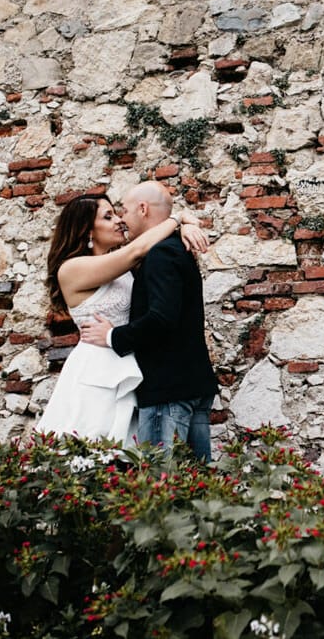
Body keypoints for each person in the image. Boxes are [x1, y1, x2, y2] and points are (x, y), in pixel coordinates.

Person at [34, 192, 206, 444]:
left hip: (128, 363)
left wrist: (189, 226)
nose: (119, 221)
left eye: (117, 213)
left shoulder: (121, 266)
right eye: (108, 216)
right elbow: (137, 250)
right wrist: (179, 218)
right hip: (97, 371)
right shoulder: (71, 269)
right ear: (87, 230)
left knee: (131, 456)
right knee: (93, 449)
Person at [80, 181, 220, 461]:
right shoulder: (175, 248)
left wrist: (112, 336)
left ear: (143, 209)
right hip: (191, 383)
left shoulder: (160, 254)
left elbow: (161, 319)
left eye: (124, 211)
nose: (122, 220)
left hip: (167, 388)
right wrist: (182, 221)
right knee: (196, 486)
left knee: (161, 487)